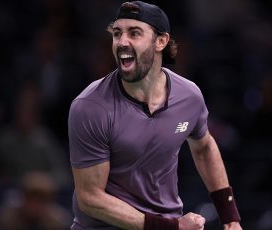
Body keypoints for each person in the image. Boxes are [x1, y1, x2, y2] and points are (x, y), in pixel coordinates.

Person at [68, 1, 242, 229]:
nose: (122, 42)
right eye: (117, 33)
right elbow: (90, 199)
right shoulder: (90, 106)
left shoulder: (189, 96)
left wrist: (230, 218)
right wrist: (172, 227)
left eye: (134, 33)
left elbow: (204, 147)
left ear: (161, 41)